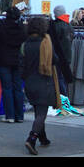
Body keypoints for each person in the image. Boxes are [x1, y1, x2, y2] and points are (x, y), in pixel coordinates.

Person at [21, 15, 58, 154]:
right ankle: (32, 138)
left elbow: (21, 64)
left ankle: (43, 138)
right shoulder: (46, 42)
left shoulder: (25, 44)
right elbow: (55, 60)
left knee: (38, 111)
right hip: (44, 81)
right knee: (42, 114)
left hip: (30, 82)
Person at [0, 5, 26, 123]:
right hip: (18, 60)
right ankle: (19, 115)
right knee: (18, 88)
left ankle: (9, 115)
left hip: (3, 59)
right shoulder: (22, 28)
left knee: (7, 88)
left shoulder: (1, 26)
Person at [49, 4, 75, 101]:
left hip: (59, 55)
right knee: (64, 77)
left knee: (59, 77)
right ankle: (64, 98)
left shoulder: (56, 26)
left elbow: (54, 41)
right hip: (67, 55)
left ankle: (62, 99)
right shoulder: (68, 25)